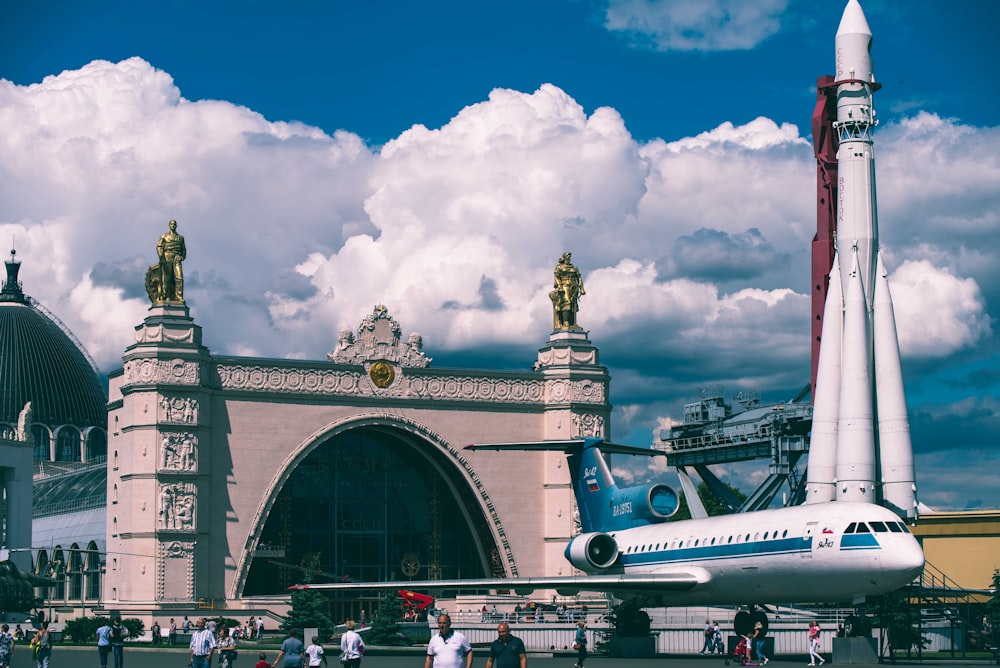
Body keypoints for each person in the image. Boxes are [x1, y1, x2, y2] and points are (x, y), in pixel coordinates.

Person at [549, 251, 586, 330]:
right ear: (564, 258)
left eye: (570, 257)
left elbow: (579, 278)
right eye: (568, 257)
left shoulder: (574, 268)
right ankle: (566, 322)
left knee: (574, 305)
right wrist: (560, 286)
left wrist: (582, 289)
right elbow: (557, 277)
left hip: (574, 287)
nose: (569, 258)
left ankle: (573, 323)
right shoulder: (559, 267)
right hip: (565, 286)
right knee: (567, 302)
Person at [156, 218, 187, 302]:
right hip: (167, 256)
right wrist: (161, 257)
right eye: (171, 224)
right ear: (169, 226)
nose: (173, 225)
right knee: (166, 277)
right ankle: (165, 295)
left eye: (174, 224)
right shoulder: (164, 236)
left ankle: (179, 296)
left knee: (179, 277)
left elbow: (184, 250)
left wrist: (182, 257)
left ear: (176, 226)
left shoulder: (180, 238)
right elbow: (159, 247)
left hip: (176, 258)